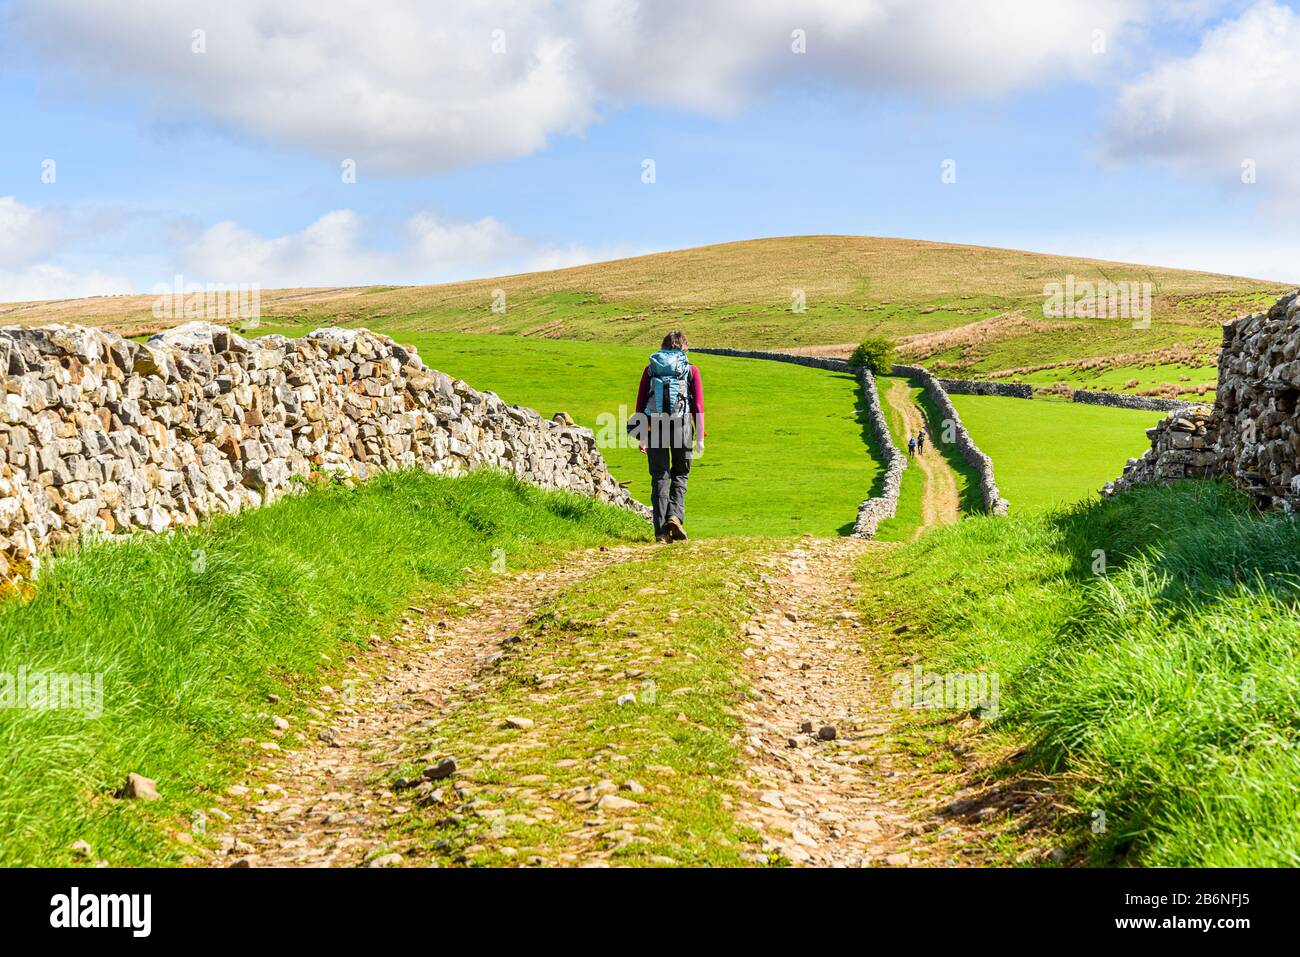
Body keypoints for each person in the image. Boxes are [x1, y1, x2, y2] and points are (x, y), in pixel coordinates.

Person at [631, 331, 704, 543]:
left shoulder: (650, 369)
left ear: (662, 348)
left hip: (654, 426)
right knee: (681, 472)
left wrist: (641, 436)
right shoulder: (690, 370)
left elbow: (640, 403)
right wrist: (699, 438)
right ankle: (675, 516)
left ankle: (661, 532)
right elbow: (698, 406)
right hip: (681, 426)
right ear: (684, 348)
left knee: (660, 476)